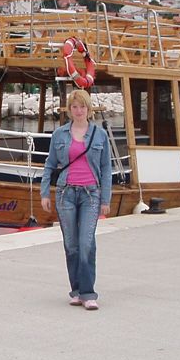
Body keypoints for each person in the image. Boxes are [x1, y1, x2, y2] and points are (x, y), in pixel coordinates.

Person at [40, 89, 112, 310]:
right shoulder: (59, 135)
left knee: (86, 242)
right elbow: (50, 165)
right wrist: (44, 193)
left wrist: (106, 199)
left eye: (82, 107)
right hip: (66, 194)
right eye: (74, 107)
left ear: (88, 109)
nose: (79, 111)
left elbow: (106, 169)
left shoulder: (99, 135)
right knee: (71, 245)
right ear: (69, 110)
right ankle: (77, 290)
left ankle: (88, 293)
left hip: (91, 194)